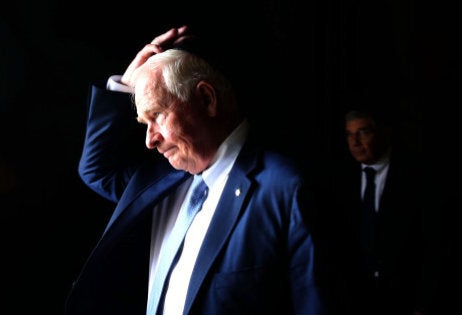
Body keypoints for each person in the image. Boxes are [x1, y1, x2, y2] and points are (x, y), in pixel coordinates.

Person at [64, 25, 327, 315]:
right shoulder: (159, 182)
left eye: (158, 116)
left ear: (206, 99)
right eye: (144, 123)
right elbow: (95, 170)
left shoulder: (286, 188)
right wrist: (126, 84)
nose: (150, 140)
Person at [322, 106, 441, 315]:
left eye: (363, 132)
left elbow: (433, 246)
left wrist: (422, 305)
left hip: (404, 298)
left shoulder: (416, 176)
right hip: (355, 300)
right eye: (349, 135)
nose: (355, 143)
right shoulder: (339, 178)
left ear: (382, 132)